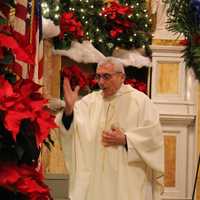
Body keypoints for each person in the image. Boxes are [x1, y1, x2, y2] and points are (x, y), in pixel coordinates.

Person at [57, 57, 164, 200]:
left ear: (122, 77)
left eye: (106, 76)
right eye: (98, 76)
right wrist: (69, 110)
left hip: (126, 182)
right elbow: (70, 127)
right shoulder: (90, 102)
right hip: (96, 183)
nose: (101, 82)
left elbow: (154, 139)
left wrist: (126, 139)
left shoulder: (141, 102)